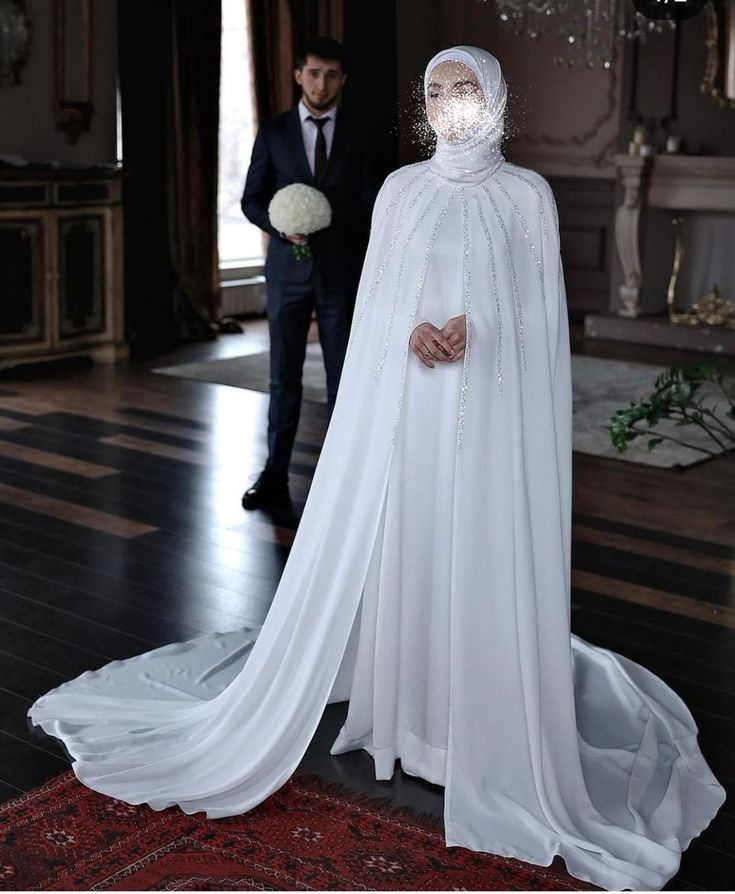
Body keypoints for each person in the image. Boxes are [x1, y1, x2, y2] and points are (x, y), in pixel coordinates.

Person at [27, 46, 726, 892]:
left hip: (489, 414)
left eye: (463, 90)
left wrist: (486, 328)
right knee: (415, 546)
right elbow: (379, 299)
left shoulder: (526, 196)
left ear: (494, 99)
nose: (447, 104)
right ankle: (404, 722)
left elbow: (543, 319)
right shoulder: (401, 191)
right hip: (413, 411)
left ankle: (478, 731)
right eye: (434, 92)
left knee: (477, 550)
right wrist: (408, 334)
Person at [240, 35, 383, 510]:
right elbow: (251, 198)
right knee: (284, 378)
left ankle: (345, 479)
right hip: (286, 274)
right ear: (298, 75)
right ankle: (274, 474)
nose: (322, 83)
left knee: (344, 378)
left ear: (344, 79)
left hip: (342, 273)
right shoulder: (274, 130)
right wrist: (281, 228)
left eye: (333, 74)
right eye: (314, 73)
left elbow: (372, 206)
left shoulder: (362, 132)